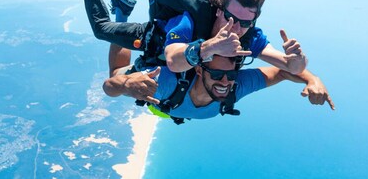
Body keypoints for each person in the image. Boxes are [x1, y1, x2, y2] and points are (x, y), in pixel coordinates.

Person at [47, 0, 306, 75]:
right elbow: (173, 60)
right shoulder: (189, 20)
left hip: (190, 61)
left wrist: (297, 61)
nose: (236, 27)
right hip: (157, 38)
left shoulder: (250, 35)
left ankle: (122, 7)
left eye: (246, 22)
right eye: (231, 17)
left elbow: (289, 66)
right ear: (219, 10)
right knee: (102, 29)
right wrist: (212, 46)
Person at [103, 51, 335, 121]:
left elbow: (285, 71)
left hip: (168, 108)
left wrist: (314, 80)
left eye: (231, 74)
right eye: (217, 74)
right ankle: (121, 11)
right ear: (200, 70)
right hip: (159, 95)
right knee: (116, 71)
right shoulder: (166, 81)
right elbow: (108, 87)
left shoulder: (238, 85)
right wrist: (125, 83)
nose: (225, 82)